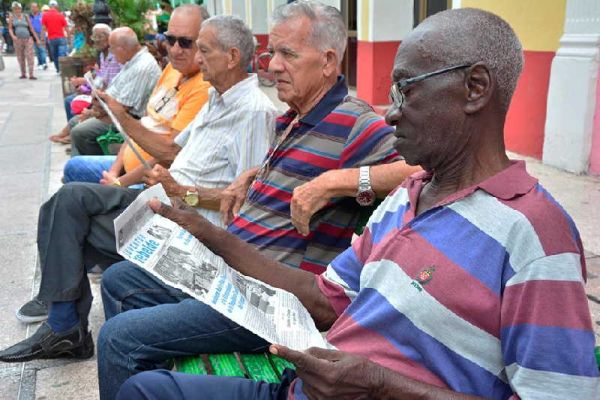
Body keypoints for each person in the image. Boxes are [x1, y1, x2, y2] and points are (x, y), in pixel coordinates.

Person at [115, 7, 600, 400]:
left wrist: (384, 387)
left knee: (127, 346)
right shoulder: (406, 199)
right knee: (146, 389)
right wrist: (214, 239)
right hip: (304, 387)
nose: (390, 110)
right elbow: (324, 299)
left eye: (406, 88)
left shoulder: (535, 235)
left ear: (474, 88)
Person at [96, 2, 417, 399]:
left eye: (288, 54)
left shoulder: (355, 121)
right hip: (227, 270)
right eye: (271, 53)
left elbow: (420, 173)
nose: (272, 66)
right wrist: (253, 176)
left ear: (328, 60)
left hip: (267, 298)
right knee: (118, 279)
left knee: (118, 338)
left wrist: (337, 181)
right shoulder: (293, 117)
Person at [0, 14, 277, 368]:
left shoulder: (253, 110)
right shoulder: (217, 99)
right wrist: (132, 157)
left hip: (186, 222)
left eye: (201, 49)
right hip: (162, 200)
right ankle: (64, 323)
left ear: (233, 56)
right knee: (67, 202)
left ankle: (64, 325)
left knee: (71, 220)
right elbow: (172, 151)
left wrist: (183, 191)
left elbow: (239, 203)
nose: (194, 56)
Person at [62, 5, 211, 185]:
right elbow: (142, 125)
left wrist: (119, 183)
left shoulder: (203, 87)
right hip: (128, 164)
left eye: (185, 42)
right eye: (170, 40)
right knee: (73, 169)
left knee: (74, 187)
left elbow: (169, 155)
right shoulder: (173, 68)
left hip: (149, 182)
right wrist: (114, 172)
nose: (175, 50)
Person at [69, 27, 161, 156]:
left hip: (127, 119)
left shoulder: (142, 67)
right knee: (75, 122)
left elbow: (123, 108)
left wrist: (94, 112)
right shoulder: (132, 61)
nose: (111, 51)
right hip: (112, 111)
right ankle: (77, 164)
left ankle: (93, 167)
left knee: (79, 131)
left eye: (112, 47)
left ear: (122, 48)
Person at [49, 23, 121, 144]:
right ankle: (71, 134)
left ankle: (73, 135)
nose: (96, 40)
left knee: (73, 102)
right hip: (99, 92)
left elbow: (110, 84)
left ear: (109, 37)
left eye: (100, 37)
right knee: (70, 100)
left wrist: (88, 87)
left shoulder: (114, 56)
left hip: (107, 98)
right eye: (95, 37)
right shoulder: (103, 54)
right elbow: (101, 77)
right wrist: (85, 84)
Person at [8, 1, 39, 80]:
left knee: (30, 56)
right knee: (20, 57)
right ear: (13, 10)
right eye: (15, 9)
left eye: (18, 9)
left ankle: (31, 74)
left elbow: (31, 28)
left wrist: (37, 39)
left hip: (28, 38)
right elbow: (10, 28)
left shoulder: (25, 16)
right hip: (18, 39)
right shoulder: (12, 17)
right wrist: (13, 36)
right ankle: (23, 73)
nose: (17, 10)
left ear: (21, 9)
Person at [41, 0, 67, 73]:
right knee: (62, 54)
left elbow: (43, 28)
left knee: (55, 54)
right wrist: (68, 37)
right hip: (61, 37)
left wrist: (42, 38)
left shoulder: (45, 15)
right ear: (56, 6)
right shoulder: (60, 15)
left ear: (49, 6)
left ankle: (58, 69)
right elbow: (66, 27)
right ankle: (62, 69)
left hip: (51, 38)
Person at [29, 2, 47, 70]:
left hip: (41, 33)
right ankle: (39, 63)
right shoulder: (29, 16)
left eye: (35, 7)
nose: (33, 8)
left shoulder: (41, 15)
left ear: (38, 8)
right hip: (33, 34)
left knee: (42, 49)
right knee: (37, 50)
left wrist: (42, 35)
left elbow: (44, 26)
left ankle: (44, 63)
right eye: (32, 7)